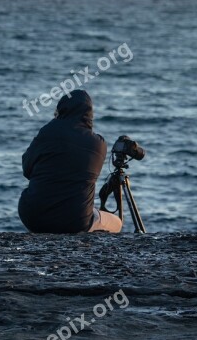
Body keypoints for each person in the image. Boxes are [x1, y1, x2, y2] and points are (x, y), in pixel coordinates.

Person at [18, 90, 122, 234]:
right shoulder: (99, 144)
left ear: (61, 109)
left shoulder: (48, 131)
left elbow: (26, 169)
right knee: (117, 223)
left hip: (33, 216)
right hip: (75, 221)